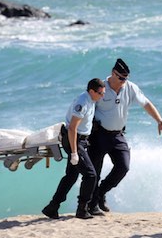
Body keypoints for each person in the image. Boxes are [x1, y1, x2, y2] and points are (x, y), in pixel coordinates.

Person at [86, 58, 162, 215]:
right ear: (112, 73)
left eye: (125, 78)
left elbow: (146, 104)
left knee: (123, 166)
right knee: (95, 170)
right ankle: (92, 205)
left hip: (117, 135)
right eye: (121, 77)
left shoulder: (130, 88)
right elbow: (87, 108)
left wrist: (160, 121)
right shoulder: (101, 88)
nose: (123, 81)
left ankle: (101, 192)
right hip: (99, 134)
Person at [42, 77, 106, 220]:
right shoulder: (82, 102)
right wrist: (74, 152)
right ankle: (82, 209)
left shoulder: (91, 100)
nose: (102, 96)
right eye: (100, 93)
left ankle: (52, 207)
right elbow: (72, 128)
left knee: (71, 176)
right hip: (74, 140)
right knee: (91, 175)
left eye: (103, 93)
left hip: (81, 141)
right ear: (91, 91)